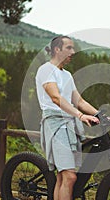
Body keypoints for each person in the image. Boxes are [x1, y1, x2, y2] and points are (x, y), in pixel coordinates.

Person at [35, 35, 99, 200]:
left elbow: (79, 101)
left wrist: (100, 115)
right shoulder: (46, 70)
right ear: (57, 49)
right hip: (55, 124)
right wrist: (79, 115)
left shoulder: (67, 75)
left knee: (63, 177)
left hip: (68, 126)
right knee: (70, 177)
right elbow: (56, 98)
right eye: (69, 48)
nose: (73, 51)